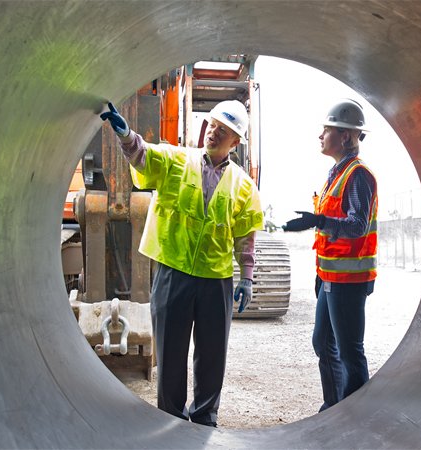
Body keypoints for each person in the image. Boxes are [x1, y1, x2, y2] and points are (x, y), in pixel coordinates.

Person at [99, 100, 263, 427]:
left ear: (235, 141)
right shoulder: (177, 160)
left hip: (215, 278)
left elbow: (246, 234)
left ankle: (204, 421)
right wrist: (125, 134)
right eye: (212, 125)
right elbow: (143, 155)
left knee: (212, 357)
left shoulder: (244, 185)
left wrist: (246, 277)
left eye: (223, 130)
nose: (214, 132)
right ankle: (170, 420)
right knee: (171, 354)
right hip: (173, 272)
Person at [282, 99, 378, 411]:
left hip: (348, 280)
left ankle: (353, 417)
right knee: (323, 343)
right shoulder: (336, 173)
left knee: (350, 352)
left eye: (327, 130)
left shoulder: (357, 175)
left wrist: (318, 221)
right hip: (330, 277)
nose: (320, 136)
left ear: (347, 137)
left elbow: (357, 226)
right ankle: (334, 408)